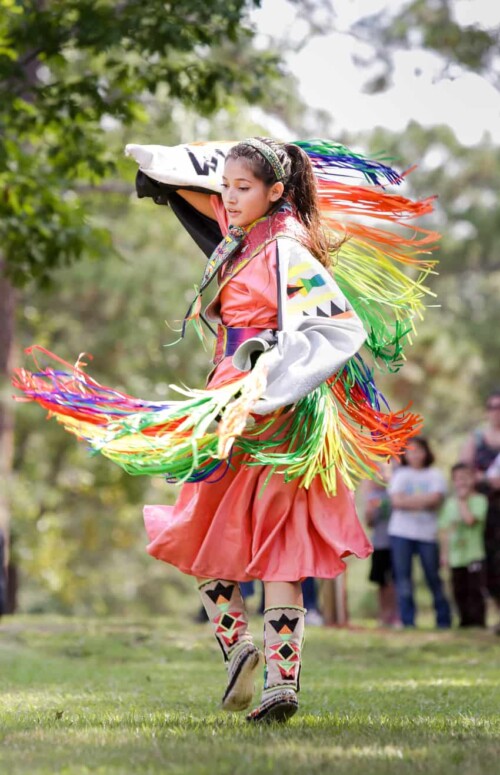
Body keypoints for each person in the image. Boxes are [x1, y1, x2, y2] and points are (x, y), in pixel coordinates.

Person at [14, 137, 437, 721]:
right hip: (226, 401)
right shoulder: (242, 240)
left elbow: (335, 328)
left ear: (276, 193)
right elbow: (195, 188)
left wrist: (270, 362)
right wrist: (160, 166)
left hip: (270, 406)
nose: (230, 199)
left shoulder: (288, 248)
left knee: (275, 541)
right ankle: (243, 653)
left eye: (243, 189)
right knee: (202, 524)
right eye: (228, 188)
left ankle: (274, 677)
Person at [388, 437, 452, 629]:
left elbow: (436, 500)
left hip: (427, 534)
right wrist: (424, 501)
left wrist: (408, 501)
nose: (415, 455)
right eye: (411, 451)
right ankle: (408, 621)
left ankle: (443, 620)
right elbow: (396, 502)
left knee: (433, 577)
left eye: (419, 450)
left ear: (427, 452)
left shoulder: (435, 475)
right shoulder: (401, 475)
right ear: (405, 454)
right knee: (403, 579)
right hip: (401, 533)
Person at [461, 391, 500, 633]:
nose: (497, 411)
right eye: (493, 406)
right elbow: (462, 471)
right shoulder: (476, 438)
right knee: (489, 562)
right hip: (484, 510)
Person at [439, 463, 487, 627]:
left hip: (474, 554)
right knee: (459, 590)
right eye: (458, 479)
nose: (462, 482)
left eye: (465, 478)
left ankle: (478, 621)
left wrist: (462, 501)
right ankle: (464, 621)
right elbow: (445, 531)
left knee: (475, 590)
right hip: (455, 556)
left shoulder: (479, 500)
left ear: (473, 479)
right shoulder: (449, 504)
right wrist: (444, 555)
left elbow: (470, 520)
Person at [362, 463, 400, 627]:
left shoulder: (395, 493)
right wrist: (370, 512)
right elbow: (369, 523)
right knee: (381, 581)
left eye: (384, 472)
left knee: (394, 581)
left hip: (396, 543)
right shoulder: (372, 497)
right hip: (379, 544)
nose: (381, 476)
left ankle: (396, 614)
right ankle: (384, 615)